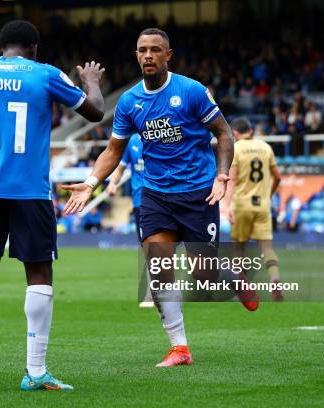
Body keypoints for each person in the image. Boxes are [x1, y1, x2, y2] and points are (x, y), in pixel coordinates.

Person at [63, 27, 258, 368]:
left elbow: (224, 133)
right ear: (136, 55)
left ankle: (232, 277)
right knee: (158, 267)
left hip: (198, 193)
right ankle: (179, 348)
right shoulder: (128, 102)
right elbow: (113, 150)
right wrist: (91, 181)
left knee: (204, 275)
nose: (148, 55)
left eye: (155, 49)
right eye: (142, 50)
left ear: (168, 55)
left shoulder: (192, 91)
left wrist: (222, 174)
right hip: (155, 195)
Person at [0, 20, 104, 391]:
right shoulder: (45, 74)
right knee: (40, 274)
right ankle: (35, 371)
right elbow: (95, 111)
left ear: (1, 48)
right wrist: (91, 80)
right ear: (34, 48)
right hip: (30, 191)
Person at [223, 117, 284, 301]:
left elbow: (231, 179)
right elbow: (278, 177)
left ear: (235, 133)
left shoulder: (237, 148)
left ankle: (243, 291)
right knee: (267, 248)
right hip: (262, 205)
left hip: (242, 204)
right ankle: (275, 279)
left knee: (239, 249)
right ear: (250, 130)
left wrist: (226, 206)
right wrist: (269, 195)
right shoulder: (265, 148)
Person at [105, 133, 153, 307]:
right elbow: (121, 167)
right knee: (148, 248)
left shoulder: (160, 135)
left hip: (162, 197)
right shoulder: (132, 141)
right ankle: (153, 290)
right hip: (140, 200)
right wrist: (112, 184)